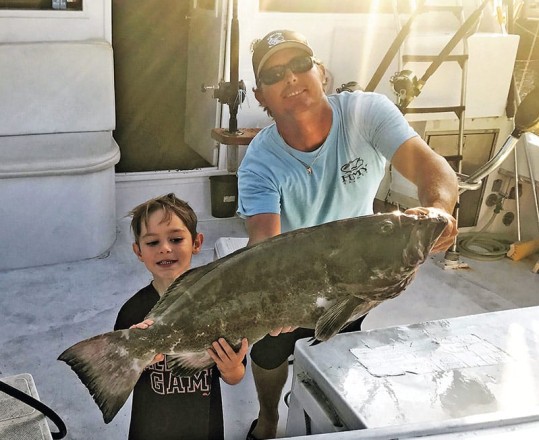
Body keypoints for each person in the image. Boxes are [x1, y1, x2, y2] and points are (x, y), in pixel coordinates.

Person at [237, 30, 459, 439]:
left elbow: (433, 169)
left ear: (321, 71)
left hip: (358, 274)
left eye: (301, 64)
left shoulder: (367, 113)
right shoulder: (258, 162)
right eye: (274, 73)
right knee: (268, 351)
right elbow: (264, 245)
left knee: (338, 348)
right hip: (288, 276)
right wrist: (271, 301)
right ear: (259, 95)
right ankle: (269, 417)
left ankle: (322, 409)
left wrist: (438, 210)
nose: (291, 78)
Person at [115, 193, 249, 440]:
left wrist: (230, 367)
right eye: (152, 243)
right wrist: (138, 359)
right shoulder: (132, 312)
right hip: (150, 428)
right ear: (138, 251)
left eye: (176, 239)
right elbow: (118, 380)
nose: (165, 248)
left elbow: (236, 375)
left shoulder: (221, 306)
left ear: (197, 243)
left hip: (204, 426)